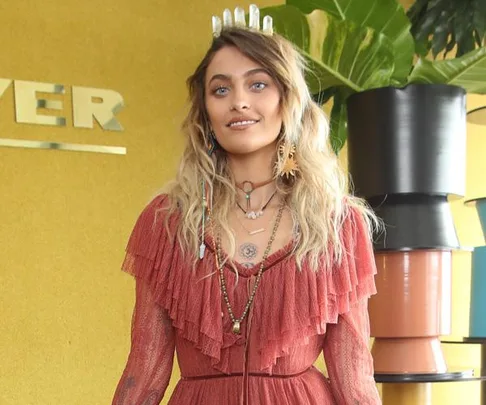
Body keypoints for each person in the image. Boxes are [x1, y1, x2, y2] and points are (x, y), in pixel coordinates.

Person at [112, 5, 382, 405]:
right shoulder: (167, 222)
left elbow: (353, 375)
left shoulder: (336, 223)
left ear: (287, 99)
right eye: (220, 89)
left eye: (258, 85)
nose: (238, 102)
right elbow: (144, 370)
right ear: (205, 113)